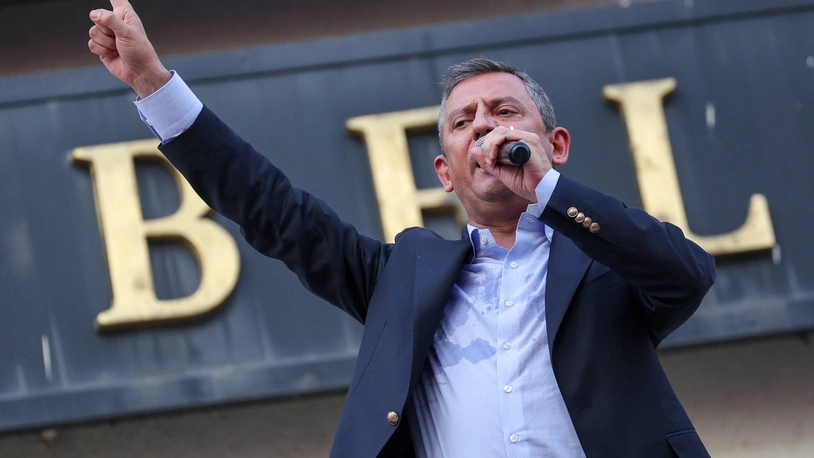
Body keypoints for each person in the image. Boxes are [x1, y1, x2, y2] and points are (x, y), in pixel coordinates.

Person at [88, 1, 716, 457]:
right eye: (463, 122)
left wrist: (545, 189)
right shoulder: (400, 278)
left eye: (504, 111)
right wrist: (152, 83)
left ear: (556, 144)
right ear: (445, 171)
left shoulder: (605, 264)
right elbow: (270, 208)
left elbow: (687, 273)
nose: (483, 126)